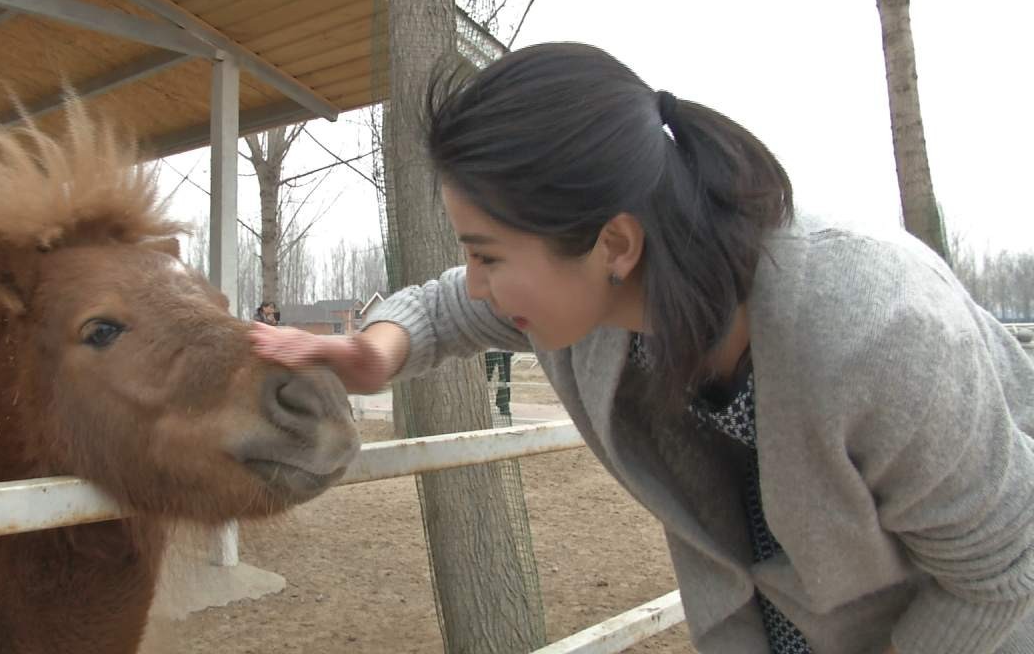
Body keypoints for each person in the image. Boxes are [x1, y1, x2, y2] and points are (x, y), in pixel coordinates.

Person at [248, 43, 1034, 653]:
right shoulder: (599, 303)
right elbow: (447, 306)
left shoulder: (875, 327)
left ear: (613, 241)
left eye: (489, 255)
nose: (479, 285)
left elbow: (1004, 574)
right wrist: (381, 351)